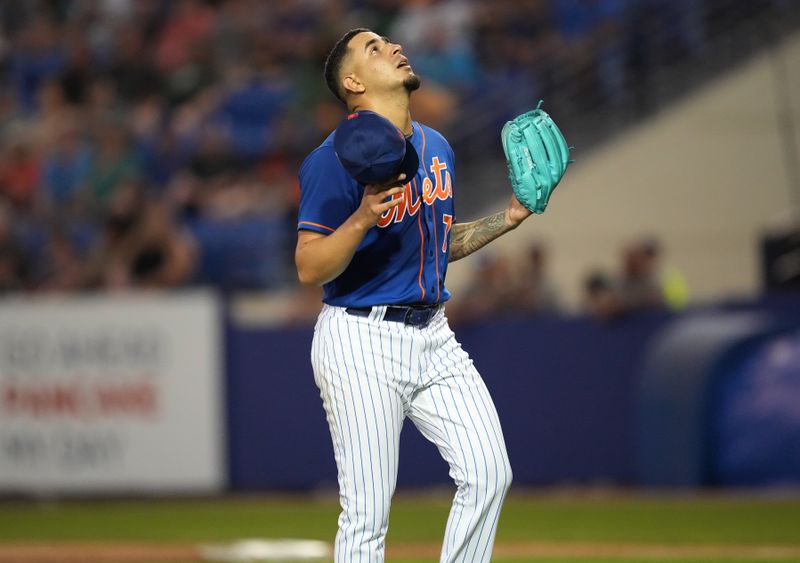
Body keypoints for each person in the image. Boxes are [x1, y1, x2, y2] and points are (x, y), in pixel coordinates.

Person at [296, 28, 538, 563]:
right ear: (354, 82)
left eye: (388, 42)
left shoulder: (436, 146)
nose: (393, 48)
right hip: (361, 338)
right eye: (374, 49)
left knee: (489, 472)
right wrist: (361, 218)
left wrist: (510, 218)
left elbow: (434, 243)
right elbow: (309, 266)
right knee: (367, 516)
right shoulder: (333, 160)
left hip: (433, 334)